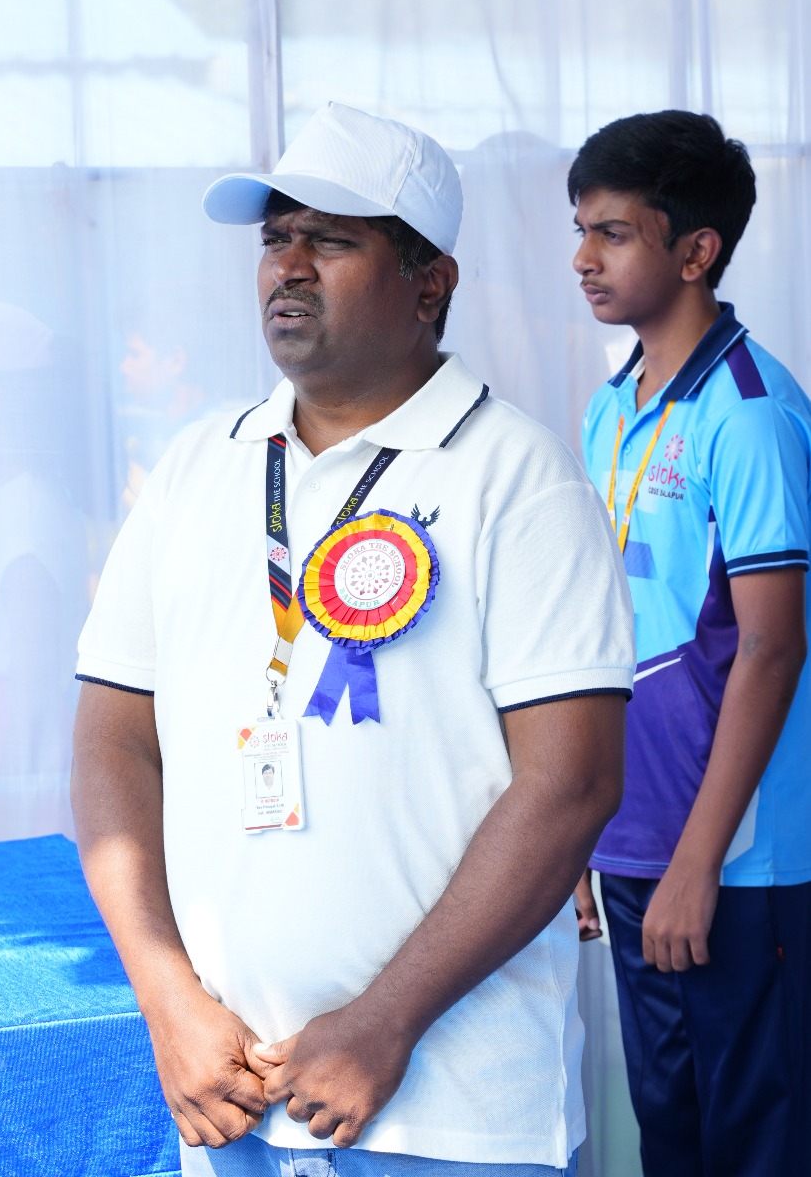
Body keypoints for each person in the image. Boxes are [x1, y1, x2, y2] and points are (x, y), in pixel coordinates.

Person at [71, 101, 634, 1177]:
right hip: (231, 1097)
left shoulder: (515, 476)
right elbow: (112, 739)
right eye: (276, 237)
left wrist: (386, 1018)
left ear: (430, 283)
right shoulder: (197, 466)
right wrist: (166, 997)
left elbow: (571, 785)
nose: (288, 266)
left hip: (452, 1116)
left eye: (330, 240)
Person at [570, 109, 811, 1177]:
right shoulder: (609, 407)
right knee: (669, 1134)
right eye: (580, 230)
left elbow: (770, 649)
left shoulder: (749, 413)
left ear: (695, 250)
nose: (583, 258)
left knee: (755, 1143)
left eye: (613, 232)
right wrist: (581, 830)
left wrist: (697, 862)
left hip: (734, 860)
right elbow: (598, 634)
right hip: (633, 837)